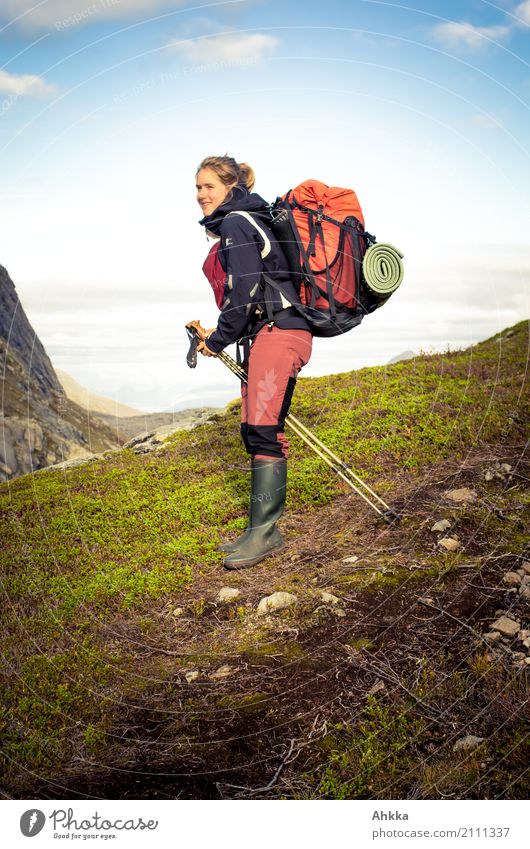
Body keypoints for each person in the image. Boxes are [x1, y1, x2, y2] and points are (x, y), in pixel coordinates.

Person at [187, 155, 312, 570]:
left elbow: (245, 292)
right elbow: (251, 297)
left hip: (280, 333)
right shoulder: (243, 221)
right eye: (197, 187)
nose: (201, 195)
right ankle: (258, 528)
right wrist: (223, 336)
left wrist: (219, 339)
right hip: (269, 334)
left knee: (263, 430)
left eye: (209, 186)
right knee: (253, 428)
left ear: (230, 186)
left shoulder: (238, 223)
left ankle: (266, 533)